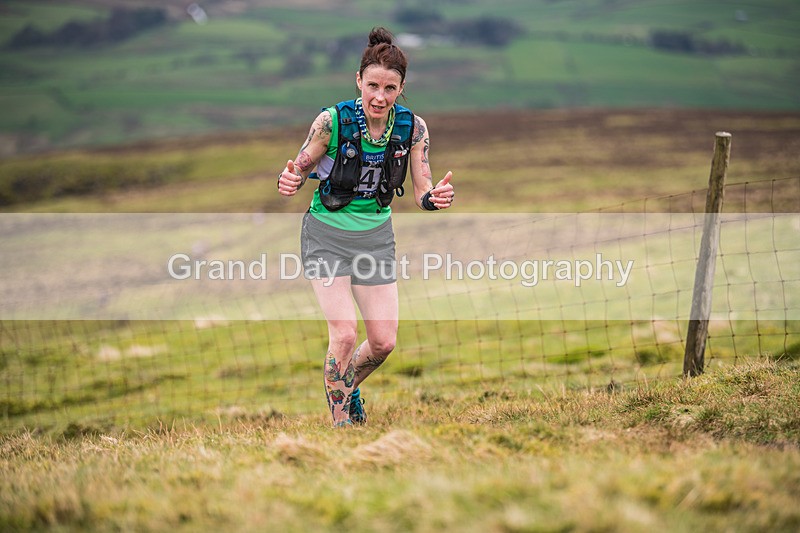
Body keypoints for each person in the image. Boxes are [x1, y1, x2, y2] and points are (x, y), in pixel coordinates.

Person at [277, 27, 455, 427]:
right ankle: (343, 429)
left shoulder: (413, 129)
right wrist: (287, 180)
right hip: (326, 235)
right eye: (372, 85)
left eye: (390, 88)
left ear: (401, 88)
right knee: (342, 335)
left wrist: (434, 199)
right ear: (358, 80)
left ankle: (345, 386)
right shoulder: (331, 122)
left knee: (382, 342)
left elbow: (422, 189)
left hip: (375, 239)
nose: (379, 96)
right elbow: (298, 167)